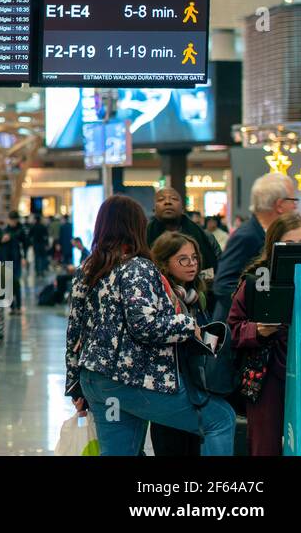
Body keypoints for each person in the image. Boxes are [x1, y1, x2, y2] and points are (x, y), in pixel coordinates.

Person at [65, 195, 235, 456]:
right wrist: (188, 324)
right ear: (136, 226)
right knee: (220, 419)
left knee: (118, 452)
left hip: (96, 379)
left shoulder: (87, 269)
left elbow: (74, 329)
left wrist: (74, 385)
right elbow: (144, 325)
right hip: (135, 378)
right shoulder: (137, 267)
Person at [228, 212, 301, 456]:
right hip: (267, 377)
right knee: (266, 444)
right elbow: (232, 329)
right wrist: (257, 330)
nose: (298, 251)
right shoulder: (257, 281)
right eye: (290, 244)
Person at [147, 232, 211, 457]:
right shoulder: (159, 297)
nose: (191, 264)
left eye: (194, 258)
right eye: (183, 259)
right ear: (165, 263)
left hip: (194, 384)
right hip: (169, 387)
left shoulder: (196, 297)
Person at [212, 173, 298, 322]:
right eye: (293, 200)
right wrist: (260, 309)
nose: (295, 206)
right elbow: (223, 285)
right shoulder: (247, 236)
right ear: (279, 205)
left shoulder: (268, 233)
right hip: (238, 329)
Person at [147, 188, 220, 294]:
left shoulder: (206, 237)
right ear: (154, 209)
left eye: (174, 198)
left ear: (182, 208)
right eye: (161, 199)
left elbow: (219, 271)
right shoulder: (142, 238)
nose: (168, 202)